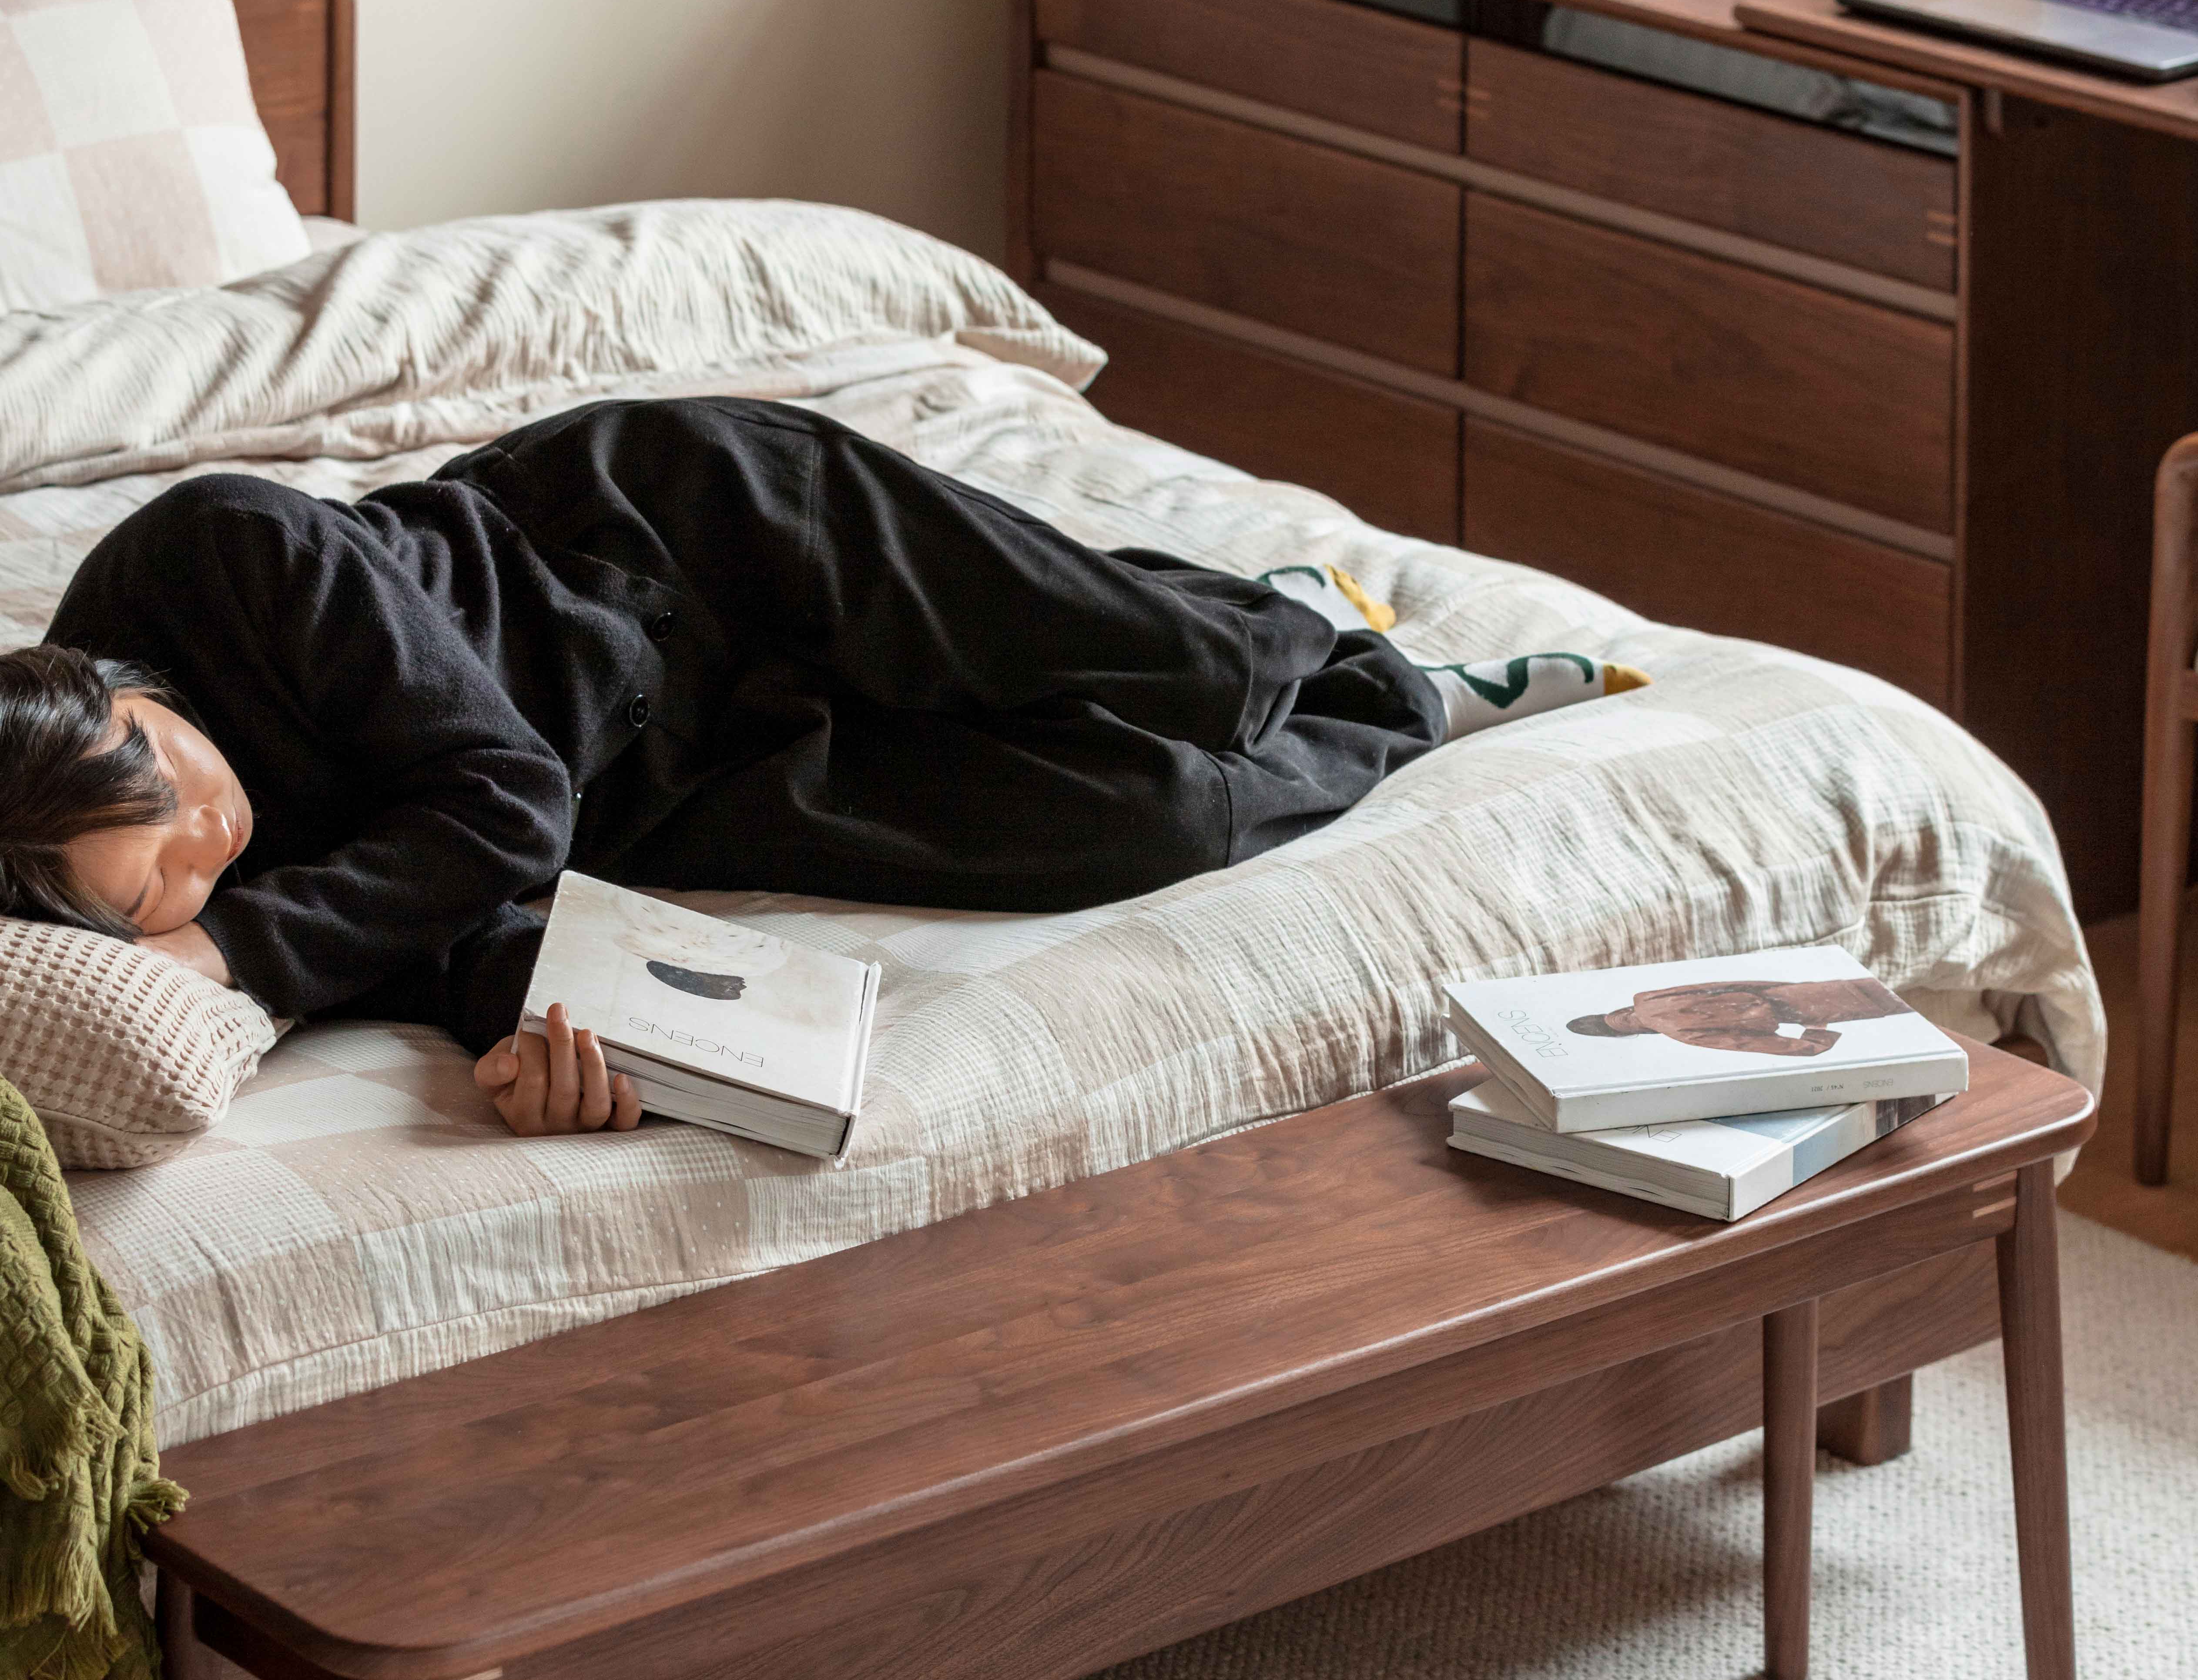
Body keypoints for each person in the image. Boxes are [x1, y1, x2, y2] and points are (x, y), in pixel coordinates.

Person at [2, 397, 1620, 1138]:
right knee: (1144, 814)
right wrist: (532, 1042)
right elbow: (441, 914)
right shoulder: (131, 952)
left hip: (676, 548)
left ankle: (1293, 624)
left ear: (104, 685)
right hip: (662, 792)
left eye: (167, 768)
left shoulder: (217, 550)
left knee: (1187, 671)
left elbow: (492, 803)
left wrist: (228, 946)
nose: (217, 830)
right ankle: (1403, 699)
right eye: (167, 880)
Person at [1567, 976, 1913, 1060]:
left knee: (1889, 1000)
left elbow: (1763, 1044)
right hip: (1793, 996)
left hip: (1799, 1008)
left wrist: (1815, 1035)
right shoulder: (1647, 997)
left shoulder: (1678, 1033)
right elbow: (1730, 986)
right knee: (1887, 991)